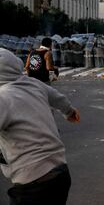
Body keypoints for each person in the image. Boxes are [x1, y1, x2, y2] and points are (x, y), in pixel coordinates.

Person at [0, 48, 80, 205]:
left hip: (33, 183)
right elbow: (59, 99)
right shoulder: (33, 84)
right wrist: (70, 112)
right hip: (60, 172)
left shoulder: (3, 97)